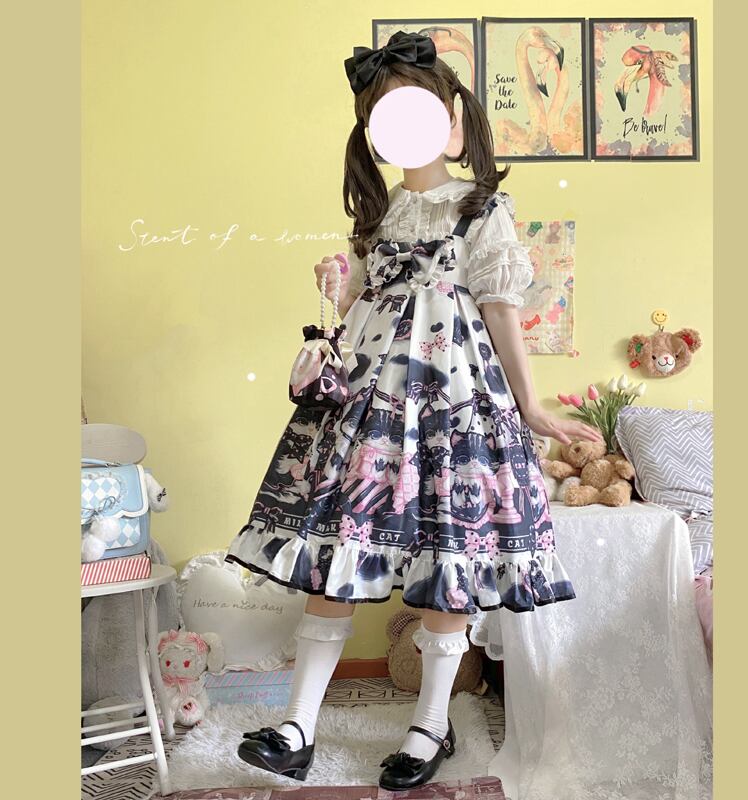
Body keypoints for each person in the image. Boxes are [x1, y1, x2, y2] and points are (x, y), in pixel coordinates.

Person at [226, 30, 602, 791]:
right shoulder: (380, 214)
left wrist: (530, 405)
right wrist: (337, 288)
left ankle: (430, 724)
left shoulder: (482, 209)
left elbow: (500, 311)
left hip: (454, 405)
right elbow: (362, 307)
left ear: (453, 121)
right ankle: (298, 725)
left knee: (449, 556)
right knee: (336, 547)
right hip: (370, 403)